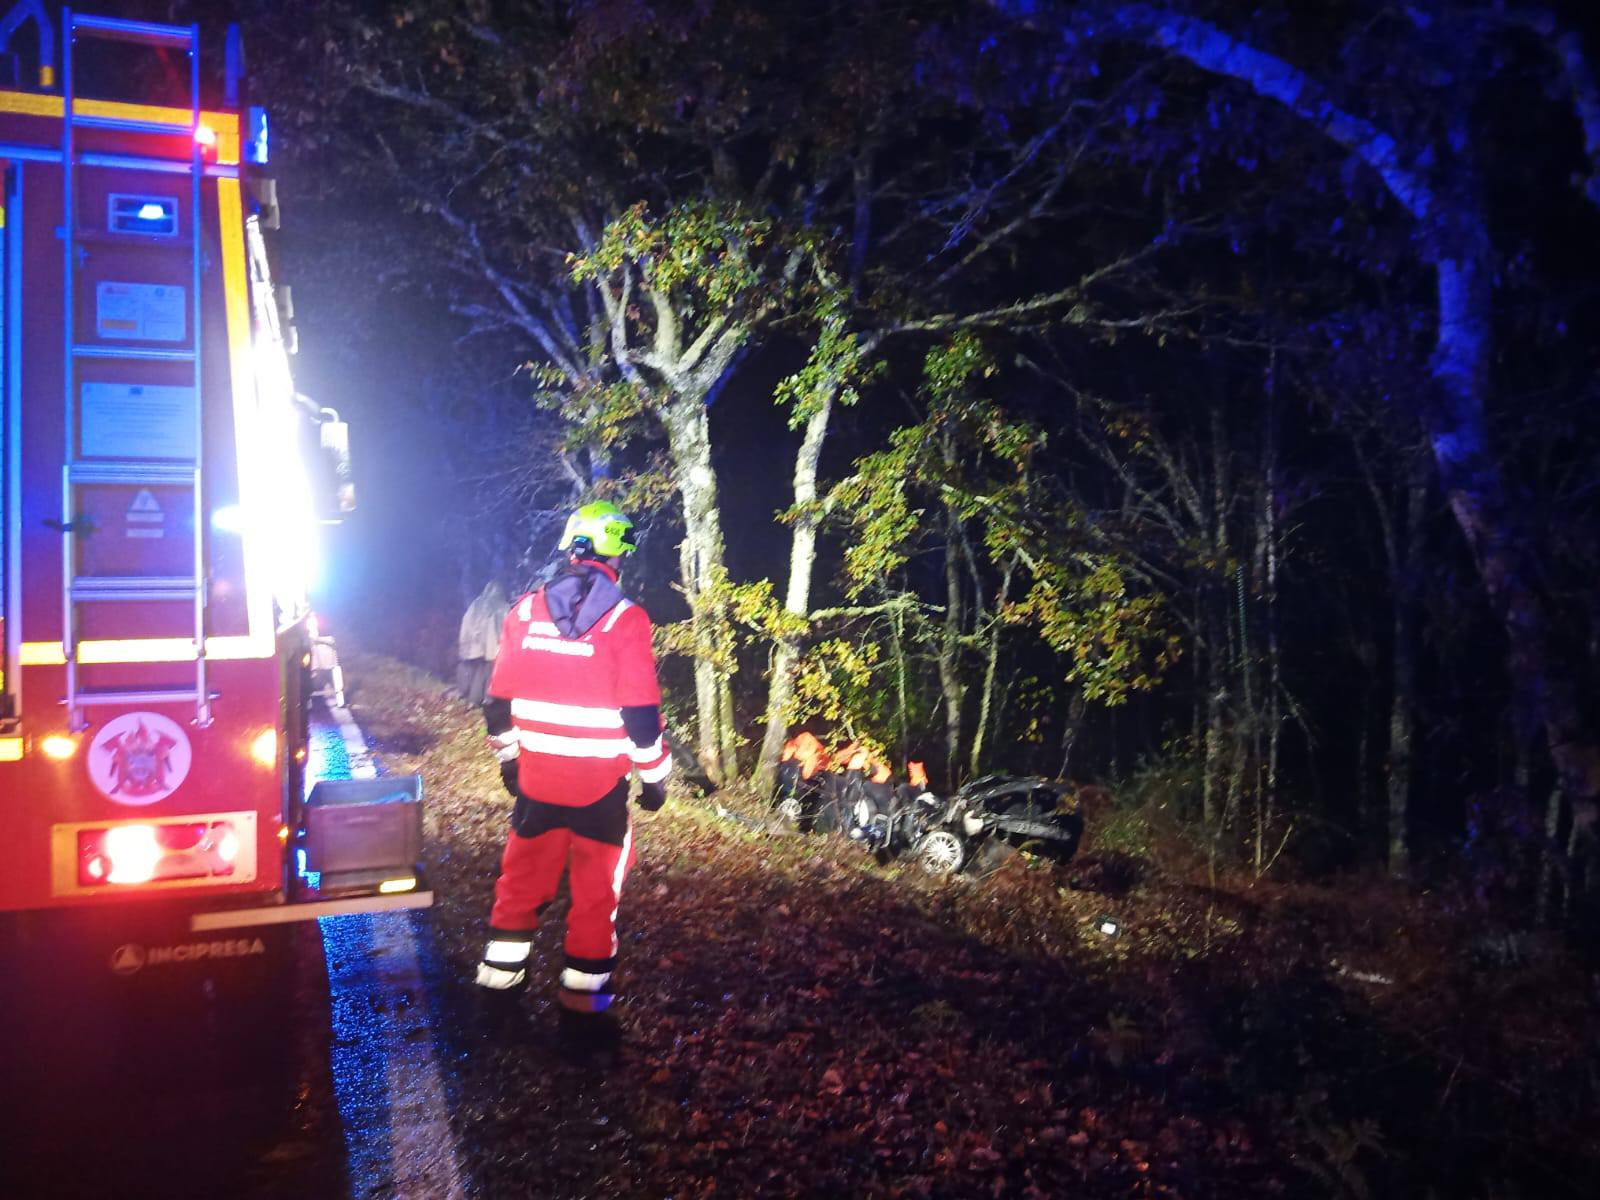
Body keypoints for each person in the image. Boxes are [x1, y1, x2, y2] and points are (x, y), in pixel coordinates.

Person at [474, 502, 671, 1026]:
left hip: (537, 785)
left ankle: (497, 1000)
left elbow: (496, 704)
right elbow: (641, 715)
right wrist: (655, 780)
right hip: (600, 793)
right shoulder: (627, 619)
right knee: (594, 900)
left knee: (518, 888)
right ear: (617, 555)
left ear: (570, 546)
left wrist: (512, 762)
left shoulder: (524, 610)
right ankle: (582, 1018)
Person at [456, 580, 508, 706]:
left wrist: (466, 642)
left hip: (474, 644)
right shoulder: (503, 606)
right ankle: (485, 699)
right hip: (493, 646)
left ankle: (468, 697)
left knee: (474, 669)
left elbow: (467, 622)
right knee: (489, 672)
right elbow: (507, 626)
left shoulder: (477, 602)